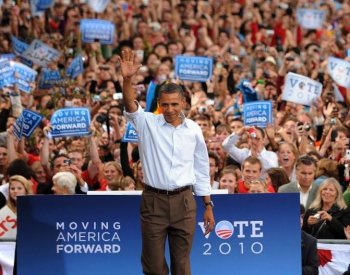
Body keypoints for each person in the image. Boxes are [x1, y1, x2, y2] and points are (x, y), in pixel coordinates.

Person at [119, 49, 214, 275]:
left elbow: (201, 168)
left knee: (181, 265)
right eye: (165, 105)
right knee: (153, 266)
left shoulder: (193, 129)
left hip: (185, 202)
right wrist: (126, 79)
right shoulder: (147, 123)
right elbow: (131, 104)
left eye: (174, 104)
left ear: (182, 102)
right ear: (159, 104)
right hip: (154, 201)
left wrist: (208, 204)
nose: (170, 109)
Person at [300, 204, 319, 275]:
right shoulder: (275, 238)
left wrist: (293, 269)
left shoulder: (310, 241)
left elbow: (313, 270)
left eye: (301, 217)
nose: (300, 221)